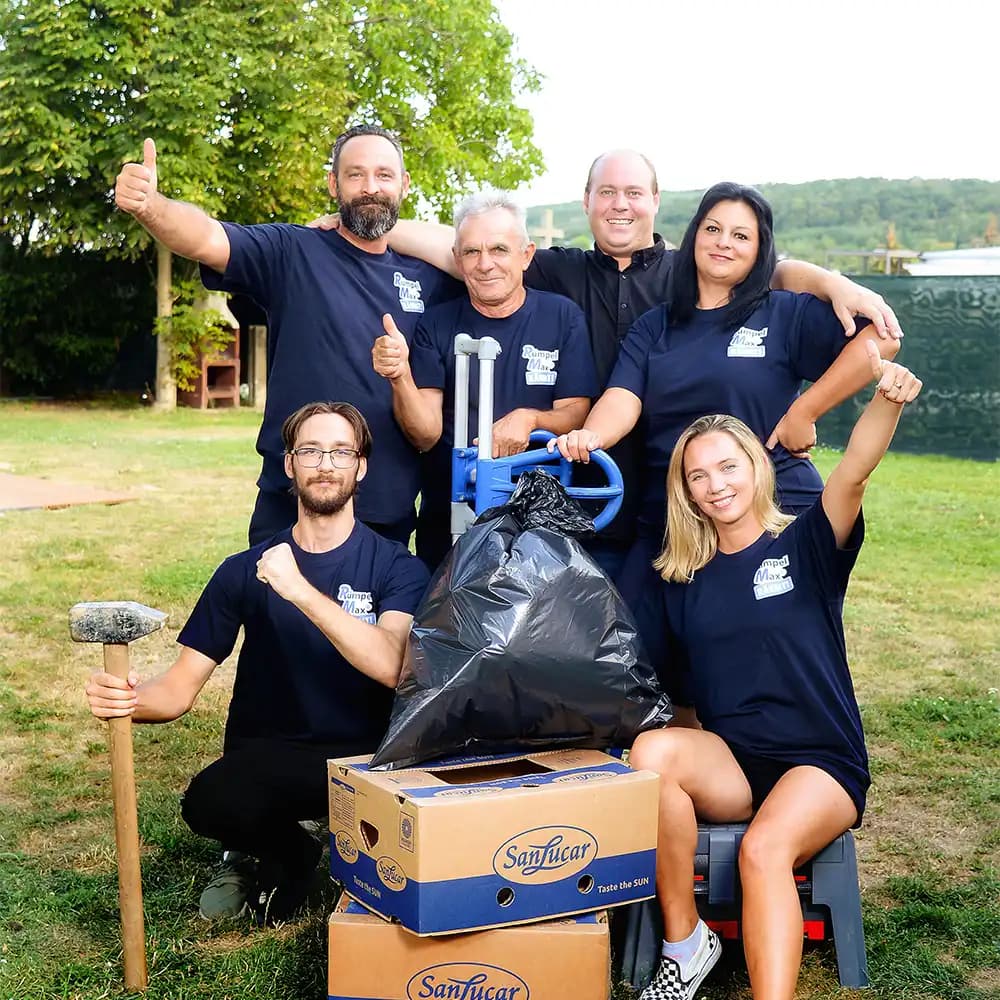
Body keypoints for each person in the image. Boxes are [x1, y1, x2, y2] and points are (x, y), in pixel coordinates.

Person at [314, 150, 902, 579]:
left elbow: (773, 269)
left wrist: (829, 283)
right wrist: (359, 225)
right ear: (587, 202)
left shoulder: (692, 271)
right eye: (607, 192)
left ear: (656, 202)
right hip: (592, 503)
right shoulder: (558, 271)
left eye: (634, 193)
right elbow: (467, 246)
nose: (620, 205)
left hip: (705, 495)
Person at [627, 341, 922, 1000]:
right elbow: (685, 705)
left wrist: (886, 401)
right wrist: (673, 792)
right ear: (686, 492)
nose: (716, 485)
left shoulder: (806, 546)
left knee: (763, 850)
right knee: (650, 755)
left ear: (756, 468)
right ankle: (685, 942)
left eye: (727, 466)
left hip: (818, 762)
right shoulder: (683, 581)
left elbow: (851, 476)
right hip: (736, 763)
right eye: (698, 476)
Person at [550, 182, 900, 714]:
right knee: (641, 656)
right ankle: (681, 756)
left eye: (741, 235)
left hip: (771, 511)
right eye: (713, 229)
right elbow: (622, 397)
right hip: (675, 516)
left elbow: (880, 337)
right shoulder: (657, 325)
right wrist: (592, 436)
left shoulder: (782, 314)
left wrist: (805, 411)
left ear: (761, 249)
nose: (723, 242)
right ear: (693, 236)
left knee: (758, 661)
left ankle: (778, 753)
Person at [84, 402, 429, 925]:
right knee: (210, 801)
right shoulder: (243, 571)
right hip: (271, 756)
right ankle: (293, 852)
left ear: (361, 467)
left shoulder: (397, 566)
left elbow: (392, 665)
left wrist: (301, 592)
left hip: (366, 763)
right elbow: (178, 690)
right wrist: (127, 700)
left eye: (341, 452)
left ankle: (319, 840)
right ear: (289, 464)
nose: (326, 464)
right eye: (310, 450)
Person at [114, 125, 461, 547]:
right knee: (274, 593)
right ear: (333, 183)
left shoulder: (428, 279)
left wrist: (396, 229)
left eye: (384, 175)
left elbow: (486, 254)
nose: (370, 187)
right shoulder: (293, 251)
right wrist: (151, 205)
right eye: (355, 175)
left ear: (404, 184)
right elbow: (207, 237)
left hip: (385, 515)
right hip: (291, 506)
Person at [370, 189, 597, 569]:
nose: (485, 264)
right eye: (472, 252)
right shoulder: (436, 323)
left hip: (538, 525)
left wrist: (530, 419)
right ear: (457, 259)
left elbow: (576, 411)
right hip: (449, 521)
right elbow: (424, 435)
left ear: (526, 255)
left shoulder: (562, 317)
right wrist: (400, 377)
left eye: (499, 250)